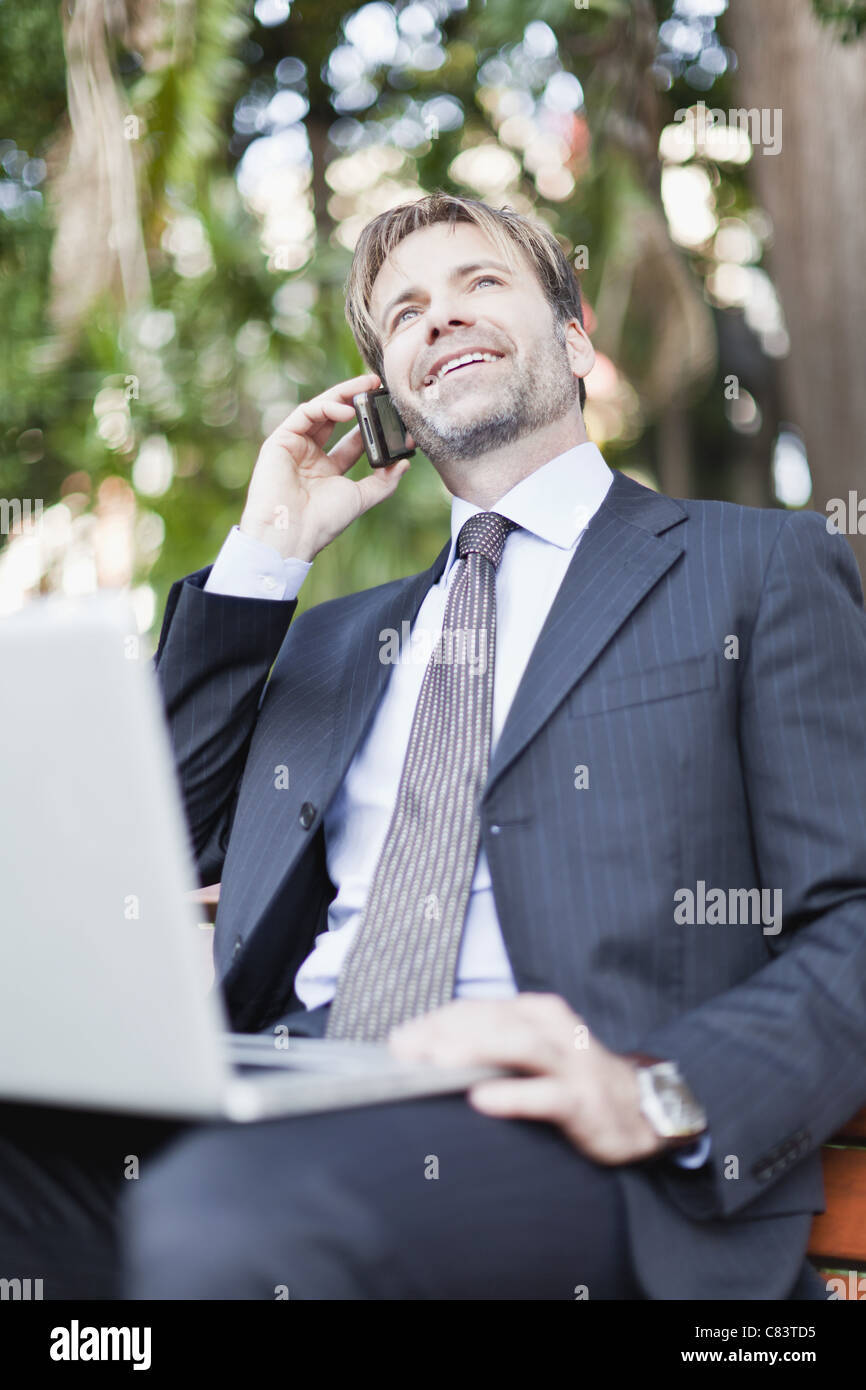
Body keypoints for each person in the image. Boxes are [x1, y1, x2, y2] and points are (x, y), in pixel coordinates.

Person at [3, 192, 864, 1299]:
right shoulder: (327, 644)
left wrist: (657, 1089)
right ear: (388, 398)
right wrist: (267, 550)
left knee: (231, 1218)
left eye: (481, 284)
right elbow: (151, 852)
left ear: (574, 335)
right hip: (285, 1084)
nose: (440, 318)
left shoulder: (753, 569)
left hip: (552, 1124)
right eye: (404, 312)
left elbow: (851, 913)